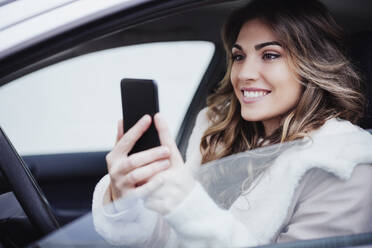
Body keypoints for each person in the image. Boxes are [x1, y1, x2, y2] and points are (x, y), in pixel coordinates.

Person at [92, 0, 372, 247]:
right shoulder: (217, 134)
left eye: (270, 55)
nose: (245, 73)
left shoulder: (345, 165)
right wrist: (124, 198)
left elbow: (190, 219)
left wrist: (187, 204)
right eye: (239, 56)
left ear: (314, 65)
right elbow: (170, 239)